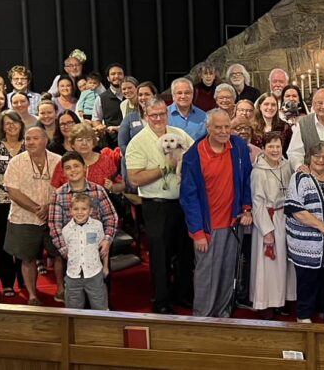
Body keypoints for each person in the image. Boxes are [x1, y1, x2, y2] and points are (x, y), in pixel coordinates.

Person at [180, 109, 254, 317]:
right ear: (208, 128)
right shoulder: (194, 155)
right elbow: (189, 197)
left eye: (227, 127)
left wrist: (246, 207)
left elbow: (247, 179)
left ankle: (223, 314)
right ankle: (202, 318)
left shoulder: (238, 147)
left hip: (232, 223)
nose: (223, 131)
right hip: (208, 226)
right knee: (206, 275)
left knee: (227, 271)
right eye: (218, 127)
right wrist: (197, 232)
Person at [126, 96, 196, 313]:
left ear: (167, 114)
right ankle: (162, 301)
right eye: (153, 115)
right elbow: (135, 179)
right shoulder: (137, 142)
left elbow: (194, 159)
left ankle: (183, 295)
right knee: (160, 255)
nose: (157, 118)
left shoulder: (179, 135)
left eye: (161, 114)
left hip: (182, 203)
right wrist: (166, 167)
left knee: (186, 252)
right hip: (156, 205)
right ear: (146, 116)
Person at [2, 126, 62, 305]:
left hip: (54, 216)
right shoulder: (16, 162)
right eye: (28, 139)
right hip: (23, 218)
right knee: (27, 258)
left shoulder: (58, 161)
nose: (30, 142)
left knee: (58, 254)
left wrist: (48, 207)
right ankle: (33, 295)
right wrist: (37, 208)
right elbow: (12, 191)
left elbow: (65, 188)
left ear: (45, 140)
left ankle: (61, 289)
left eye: (35, 138)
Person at [286, 141, 324, 323]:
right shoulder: (299, 177)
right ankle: (303, 314)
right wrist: (321, 226)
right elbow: (295, 209)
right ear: (309, 158)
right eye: (316, 156)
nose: (320, 160)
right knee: (308, 278)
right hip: (306, 241)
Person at [250, 131, 297, 319]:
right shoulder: (258, 171)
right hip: (267, 220)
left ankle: (281, 301)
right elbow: (257, 202)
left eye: (278, 146)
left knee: (284, 265)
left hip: (284, 218)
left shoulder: (286, 167)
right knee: (268, 266)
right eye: (271, 147)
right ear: (263, 148)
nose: (275, 150)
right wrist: (267, 231)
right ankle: (266, 304)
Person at [0, 111, 26, 298]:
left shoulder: (28, 145)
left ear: (21, 125)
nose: (11, 126)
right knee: (4, 242)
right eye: (7, 124)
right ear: (2, 127)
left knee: (23, 241)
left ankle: (24, 277)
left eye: (15, 123)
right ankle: (7, 282)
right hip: (1, 201)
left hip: (25, 201)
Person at [57, 193, 110, 310]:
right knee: (73, 309)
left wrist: (105, 267)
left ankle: (101, 327)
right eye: (76, 209)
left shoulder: (97, 226)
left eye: (84, 209)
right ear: (70, 210)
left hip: (94, 273)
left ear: (90, 210)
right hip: (73, 276)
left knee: (100, 306)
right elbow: (66, 252)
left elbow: (104, 248)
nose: (80, 212)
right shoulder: (66, 230)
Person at [50, 123, 123, 194]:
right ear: (72, 143)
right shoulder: (65, 162)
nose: (84, 143)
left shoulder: (105, 161)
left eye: (88, 139)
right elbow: (54, 189)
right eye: (79, 140)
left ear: (93, 143)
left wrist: (112, 187)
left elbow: (122, 184)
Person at [118, 81, 158, 153]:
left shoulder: (163, 116)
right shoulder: (129, 118)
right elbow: (122, 144)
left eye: (147, 94)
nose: (143, 97)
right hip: (134, 160)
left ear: (154, 95)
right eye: (140, 95)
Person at [92, 64, 126, 135]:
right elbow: (96, 120)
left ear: (124, 76)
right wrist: (100, 127)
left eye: (119, 74)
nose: (116, 76)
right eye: (113, 74)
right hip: (112, 142)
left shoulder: (132, 95)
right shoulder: (101, 98)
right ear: (108, 78)